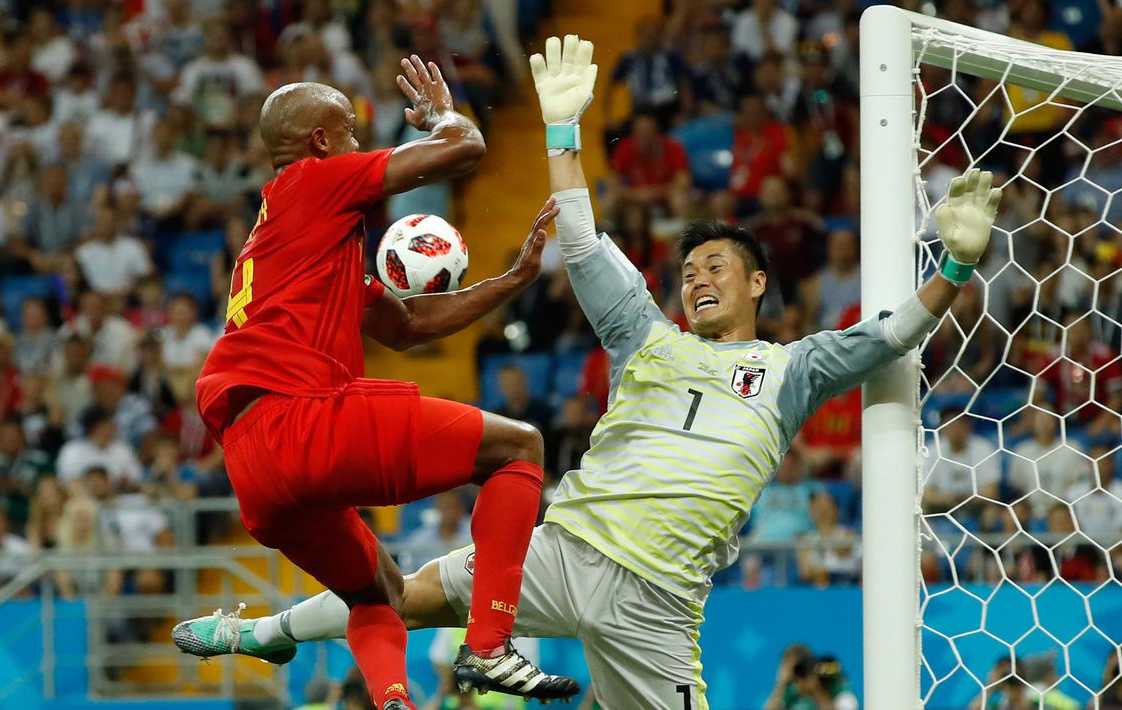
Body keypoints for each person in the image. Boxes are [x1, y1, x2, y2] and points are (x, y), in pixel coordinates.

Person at [209, 36, 1006, 710]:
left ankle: (283, 636)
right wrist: (561, 130)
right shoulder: (642, 334)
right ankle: (266, 632)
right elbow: (583, 241)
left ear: (757, 282)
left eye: (716, 267)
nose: (696, 279)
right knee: (403, 589)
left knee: (407, 568)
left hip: (661, 607)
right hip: (566, 550)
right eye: (688, 267)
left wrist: (958, 266)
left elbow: (891, 332)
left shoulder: (792, 367)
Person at [168, 59, 578, 708]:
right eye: (351, 134)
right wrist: (441, 115)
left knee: (376, 594)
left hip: (253, 467)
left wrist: (512, 280)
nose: (360, 147)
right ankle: (490, 646)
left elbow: (409, 324)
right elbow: (464, 147)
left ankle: (392, 700)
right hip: (303, 420)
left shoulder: (289, 244)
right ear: (321, 143)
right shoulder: (315, 181)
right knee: (520, 447)